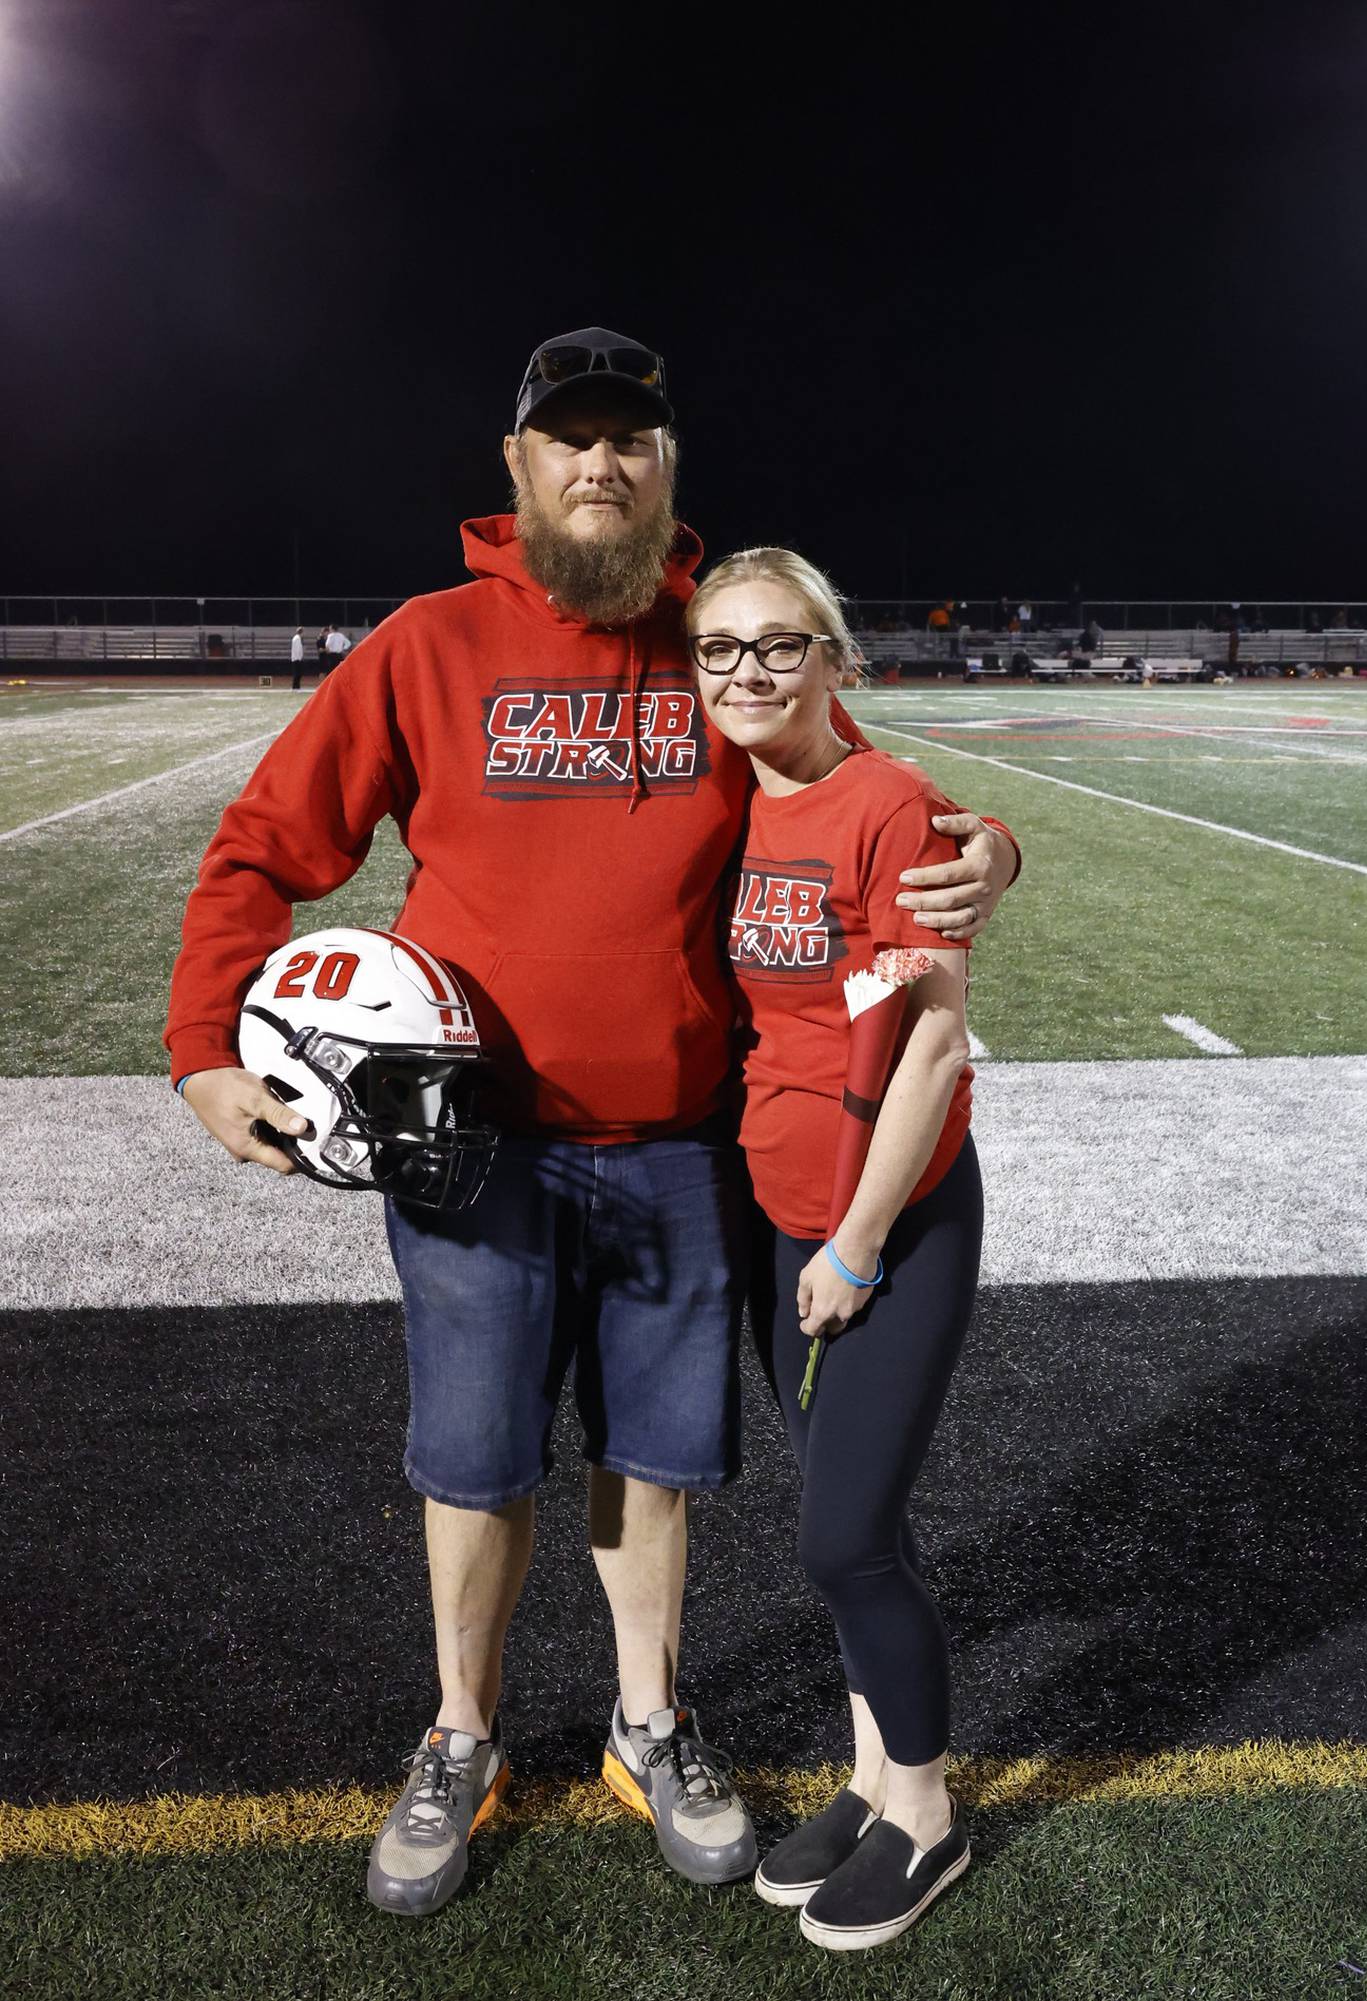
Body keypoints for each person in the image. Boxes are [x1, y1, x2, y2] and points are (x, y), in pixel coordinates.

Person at [164, 327, 1021, 1920]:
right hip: (473, 1150)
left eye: (630, 437)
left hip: (682, 1143)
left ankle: (650, 1721)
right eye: (570, 438)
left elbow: (854, 785)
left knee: (650, 1460)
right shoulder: (427, 644)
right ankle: (461, 1732)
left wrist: (993, 848)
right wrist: (203, 1046)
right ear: (520, 466)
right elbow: (264, 841)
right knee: (478, 1460)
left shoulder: (712, 646)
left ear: (667, 468)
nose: (600, 462)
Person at [686, 547, 983, 1951]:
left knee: (846, 1533)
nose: (747, 672)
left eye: (779, 646)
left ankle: (925, 1812)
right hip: (776, 1208)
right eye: (720, 649)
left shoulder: (888, 802)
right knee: (848, 1514)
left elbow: (933, 1036)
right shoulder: (734, 799)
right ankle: (869, 1779)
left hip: (889, 1215)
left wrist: (859, 1243)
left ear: (836, 659)